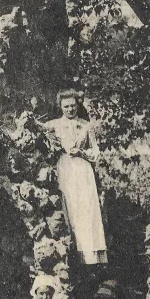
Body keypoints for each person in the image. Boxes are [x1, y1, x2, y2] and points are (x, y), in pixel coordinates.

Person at [44, 90, 108, 265]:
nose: (70, 109)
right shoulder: (54, 125)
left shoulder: (86, 125)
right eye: (66, 106)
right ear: (60, 107)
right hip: (65, 168)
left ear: (77, 105)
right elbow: (38, 128)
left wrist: (81, 151)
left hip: (83, 168)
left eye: (73, 105)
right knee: (70, 206)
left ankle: (90, 258)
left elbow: (96, 152)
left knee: (86, 209)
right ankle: (70, 254)